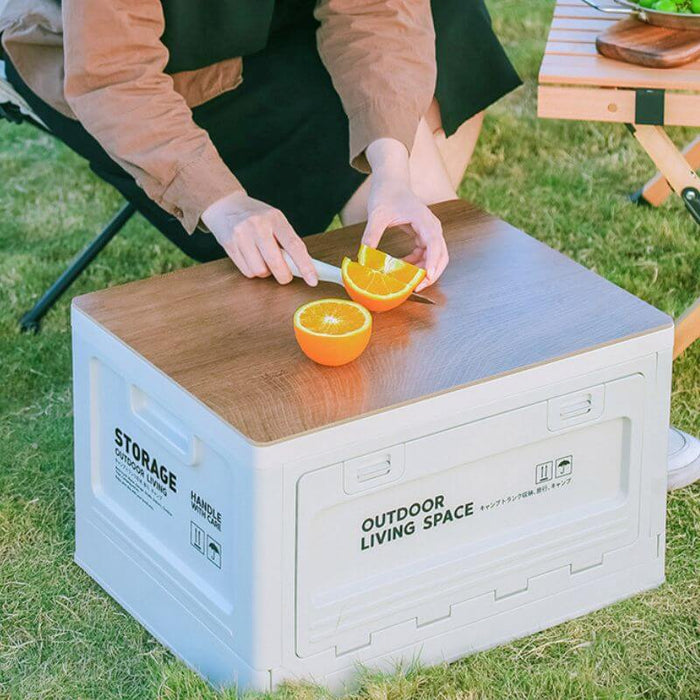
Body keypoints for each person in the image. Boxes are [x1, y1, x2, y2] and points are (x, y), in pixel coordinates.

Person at [0, 0, 521, 292]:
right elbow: (114, 74)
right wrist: (225, 203)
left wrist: (392, 168)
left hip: (265, 18)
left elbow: (374, 9)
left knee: (448, 15)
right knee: (318, 104)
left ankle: (402, 265)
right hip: (126, 58)